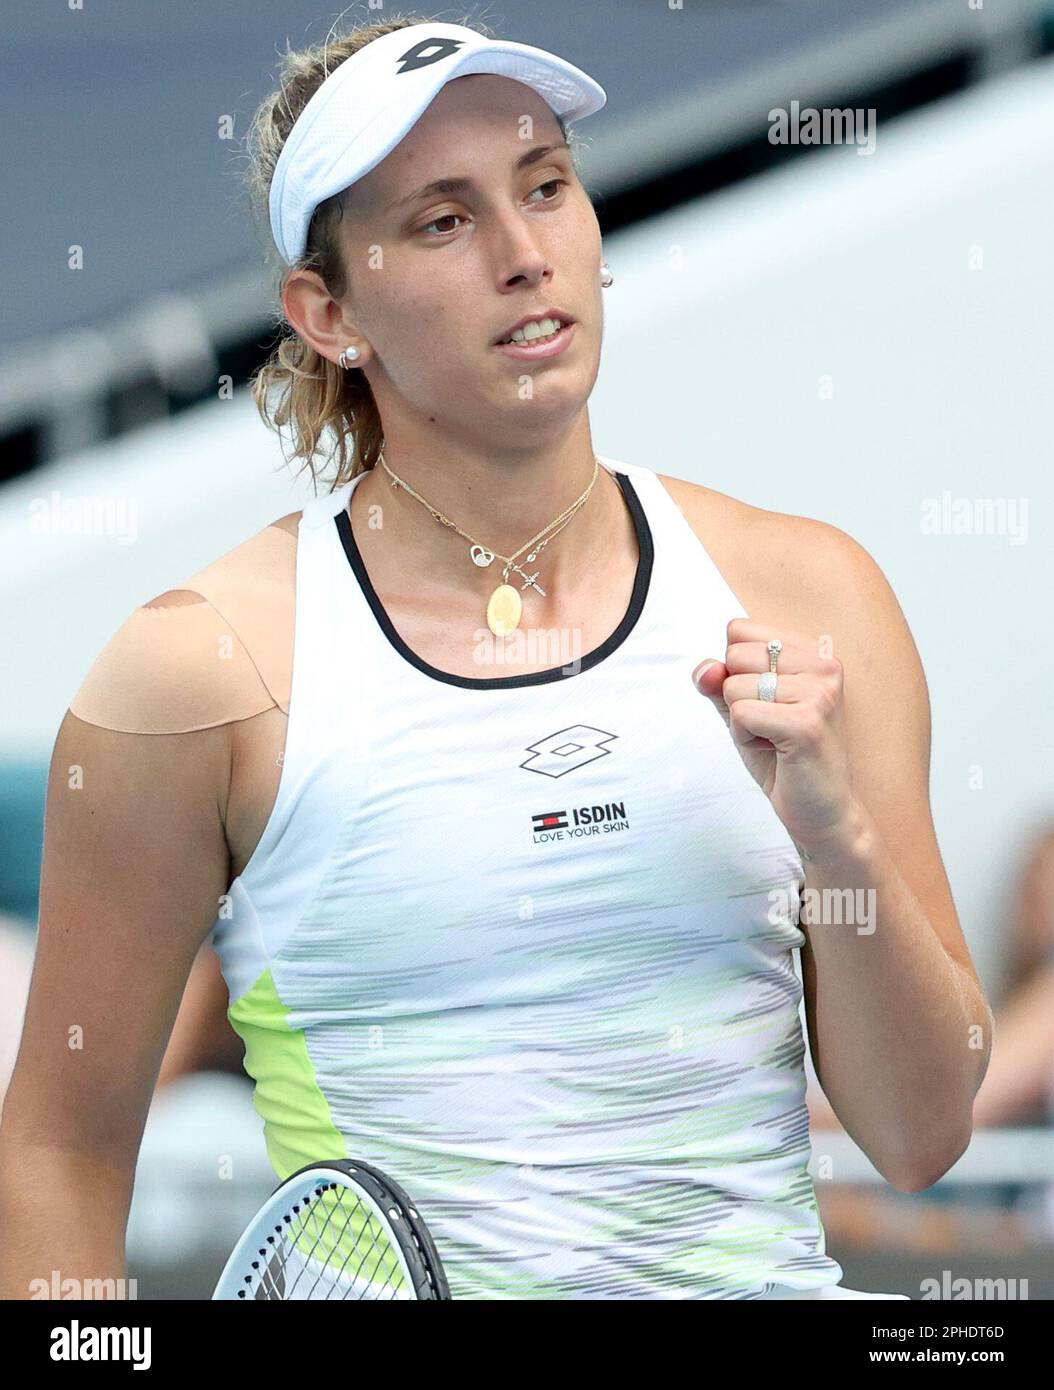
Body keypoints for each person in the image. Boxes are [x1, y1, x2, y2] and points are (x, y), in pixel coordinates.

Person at [0, 12, 992, 1300]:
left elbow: (922, 1136)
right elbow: (59, 1152)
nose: (526, 255)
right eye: (443, 221)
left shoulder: (813, 594)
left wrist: (833, 831)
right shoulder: (197, 672)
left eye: (546, 187)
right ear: (327, 311)